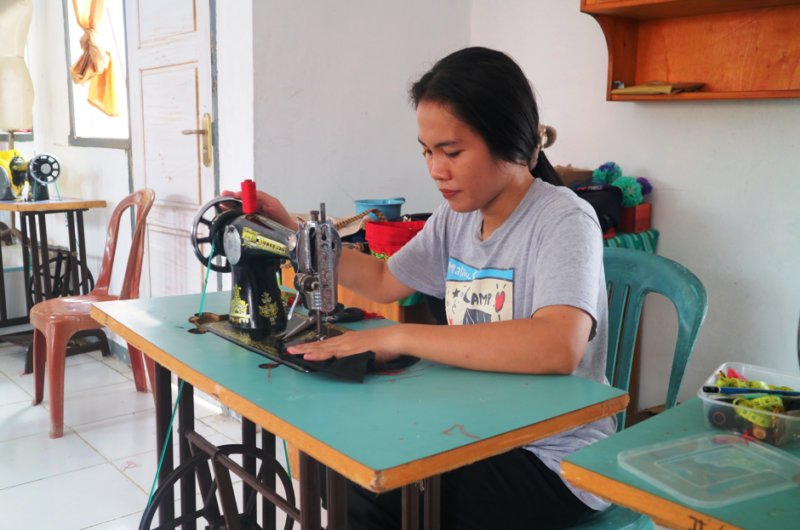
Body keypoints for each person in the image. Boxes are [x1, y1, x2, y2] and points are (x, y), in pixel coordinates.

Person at [224, 47, 613, 530]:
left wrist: (397, 336)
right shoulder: (457, 218)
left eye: (452, 152)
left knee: (376, 491)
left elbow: (558, 345)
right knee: (332, 465)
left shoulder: (563, 220)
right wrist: (296, 235)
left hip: (553, 458)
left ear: (510, 141)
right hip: (476, 426)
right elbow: (385, 281)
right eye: (427, 151)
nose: (436, 169)